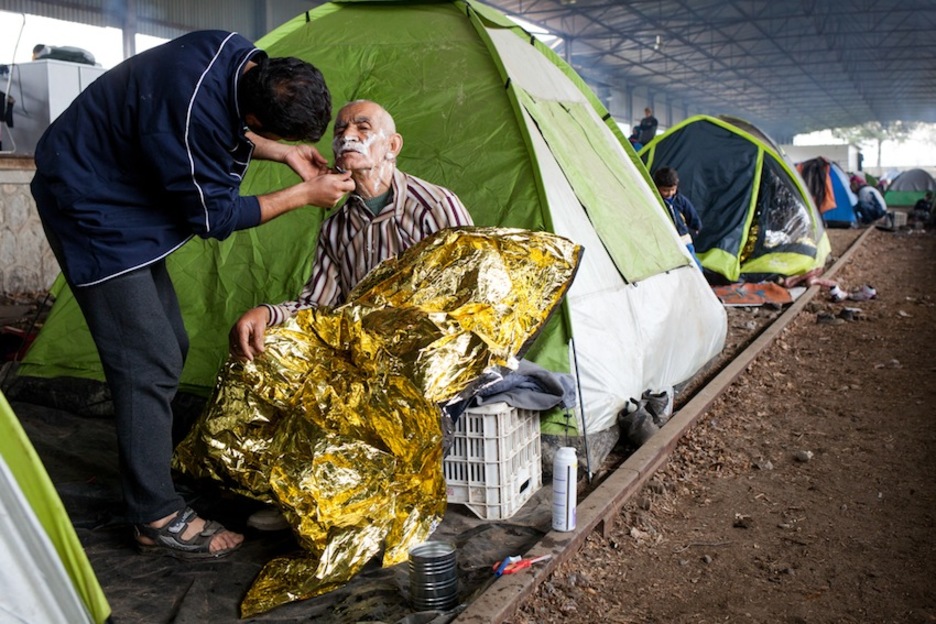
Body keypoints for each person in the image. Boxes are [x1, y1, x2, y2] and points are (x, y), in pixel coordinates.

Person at [30, 30, 355, 559]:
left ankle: (149, 478)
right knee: (146, 359)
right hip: (89, 203)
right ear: (251, 118)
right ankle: (153, 516)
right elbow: (217, 217)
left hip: (121, 184)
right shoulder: (191, 126)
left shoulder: (233, 53)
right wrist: (302, 195)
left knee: (168, 344)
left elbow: (231, 125)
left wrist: (285, 153)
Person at [230, 99, 474, 361]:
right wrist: (267, 314)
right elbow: (318, 306)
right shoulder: (335, 228)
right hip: (364, 359)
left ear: (392, 146)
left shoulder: (434, 206)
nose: (347, 135)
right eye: (339, 131)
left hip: (436, 354)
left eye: (363, 127)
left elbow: (473, 290)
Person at [653, 167, 703, 271]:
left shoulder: (680, 200)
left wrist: (696, 227)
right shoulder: (656, 201)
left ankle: (699, 279)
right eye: (665, 190)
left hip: (683, 238)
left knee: (693, 262)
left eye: (672, 189)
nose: (670, 193)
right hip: (666, 240)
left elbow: (691, 213)